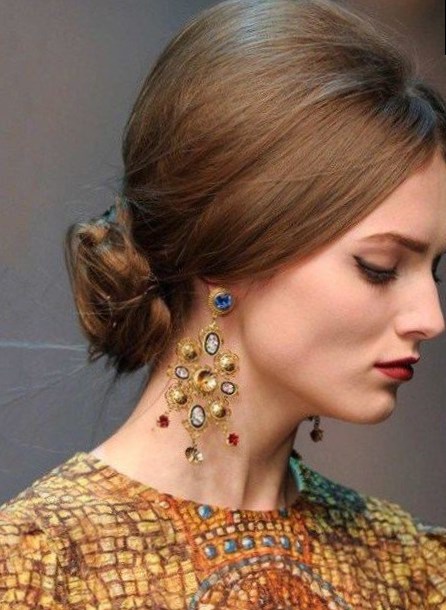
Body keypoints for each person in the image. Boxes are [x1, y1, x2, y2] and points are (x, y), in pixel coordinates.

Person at [1, 0, 446, 607]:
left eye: (434, 271)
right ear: (227, 246)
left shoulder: (415, 571)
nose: (430, 319)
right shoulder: (39, 570)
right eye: (380, 267)